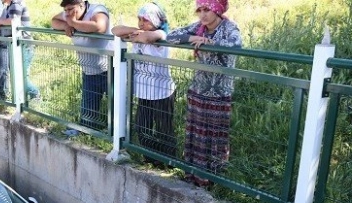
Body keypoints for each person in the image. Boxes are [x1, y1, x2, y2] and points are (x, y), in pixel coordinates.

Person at [166, 0, 241, 186]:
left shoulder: (230, 28)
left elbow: (235, 46)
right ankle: (193, 175)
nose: (202, 14)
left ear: (217, 9)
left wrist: (209, 43)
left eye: (206, 9)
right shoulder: (198, 27)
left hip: (219, 94)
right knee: (196, 135)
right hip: (198, 91)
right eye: (199, 10)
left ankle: (213, 179)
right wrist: (193, 39)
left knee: (215, 137)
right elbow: (170, 36)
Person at [112, 3, 176, 162]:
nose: (141, 23)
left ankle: (168, 162)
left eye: (145, 20)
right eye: (139, 19)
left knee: (164, 130)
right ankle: (151, 159)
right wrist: (135, 30)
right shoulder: (139, 31)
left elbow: (147, 38)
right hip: (145, 93)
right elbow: (115, 30)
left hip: (162, 93)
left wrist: (137, 34)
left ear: (155, 20)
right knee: (142, 128)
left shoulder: (161, 33)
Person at [51, 0, 112, 135]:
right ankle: (87, 133)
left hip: (110, 69)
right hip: (89, 70)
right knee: (88, 113)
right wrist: (66, 26)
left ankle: (117, 140)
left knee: (116, 108)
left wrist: (73, 24)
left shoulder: (97, 9)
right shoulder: (70, 15)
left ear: (82, 5)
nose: (68, 13)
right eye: (66, 10)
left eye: (71, 9)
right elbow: (54, 21)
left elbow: (100, 26)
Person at [0, 0, 40, 100]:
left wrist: (0, 21)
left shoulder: (16, 4)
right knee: (18, 75)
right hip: (17, 46)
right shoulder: (9, 6)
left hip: (23, 46)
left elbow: (14, 21)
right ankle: (23, 101)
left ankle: (35, 94)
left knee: (20, 77)